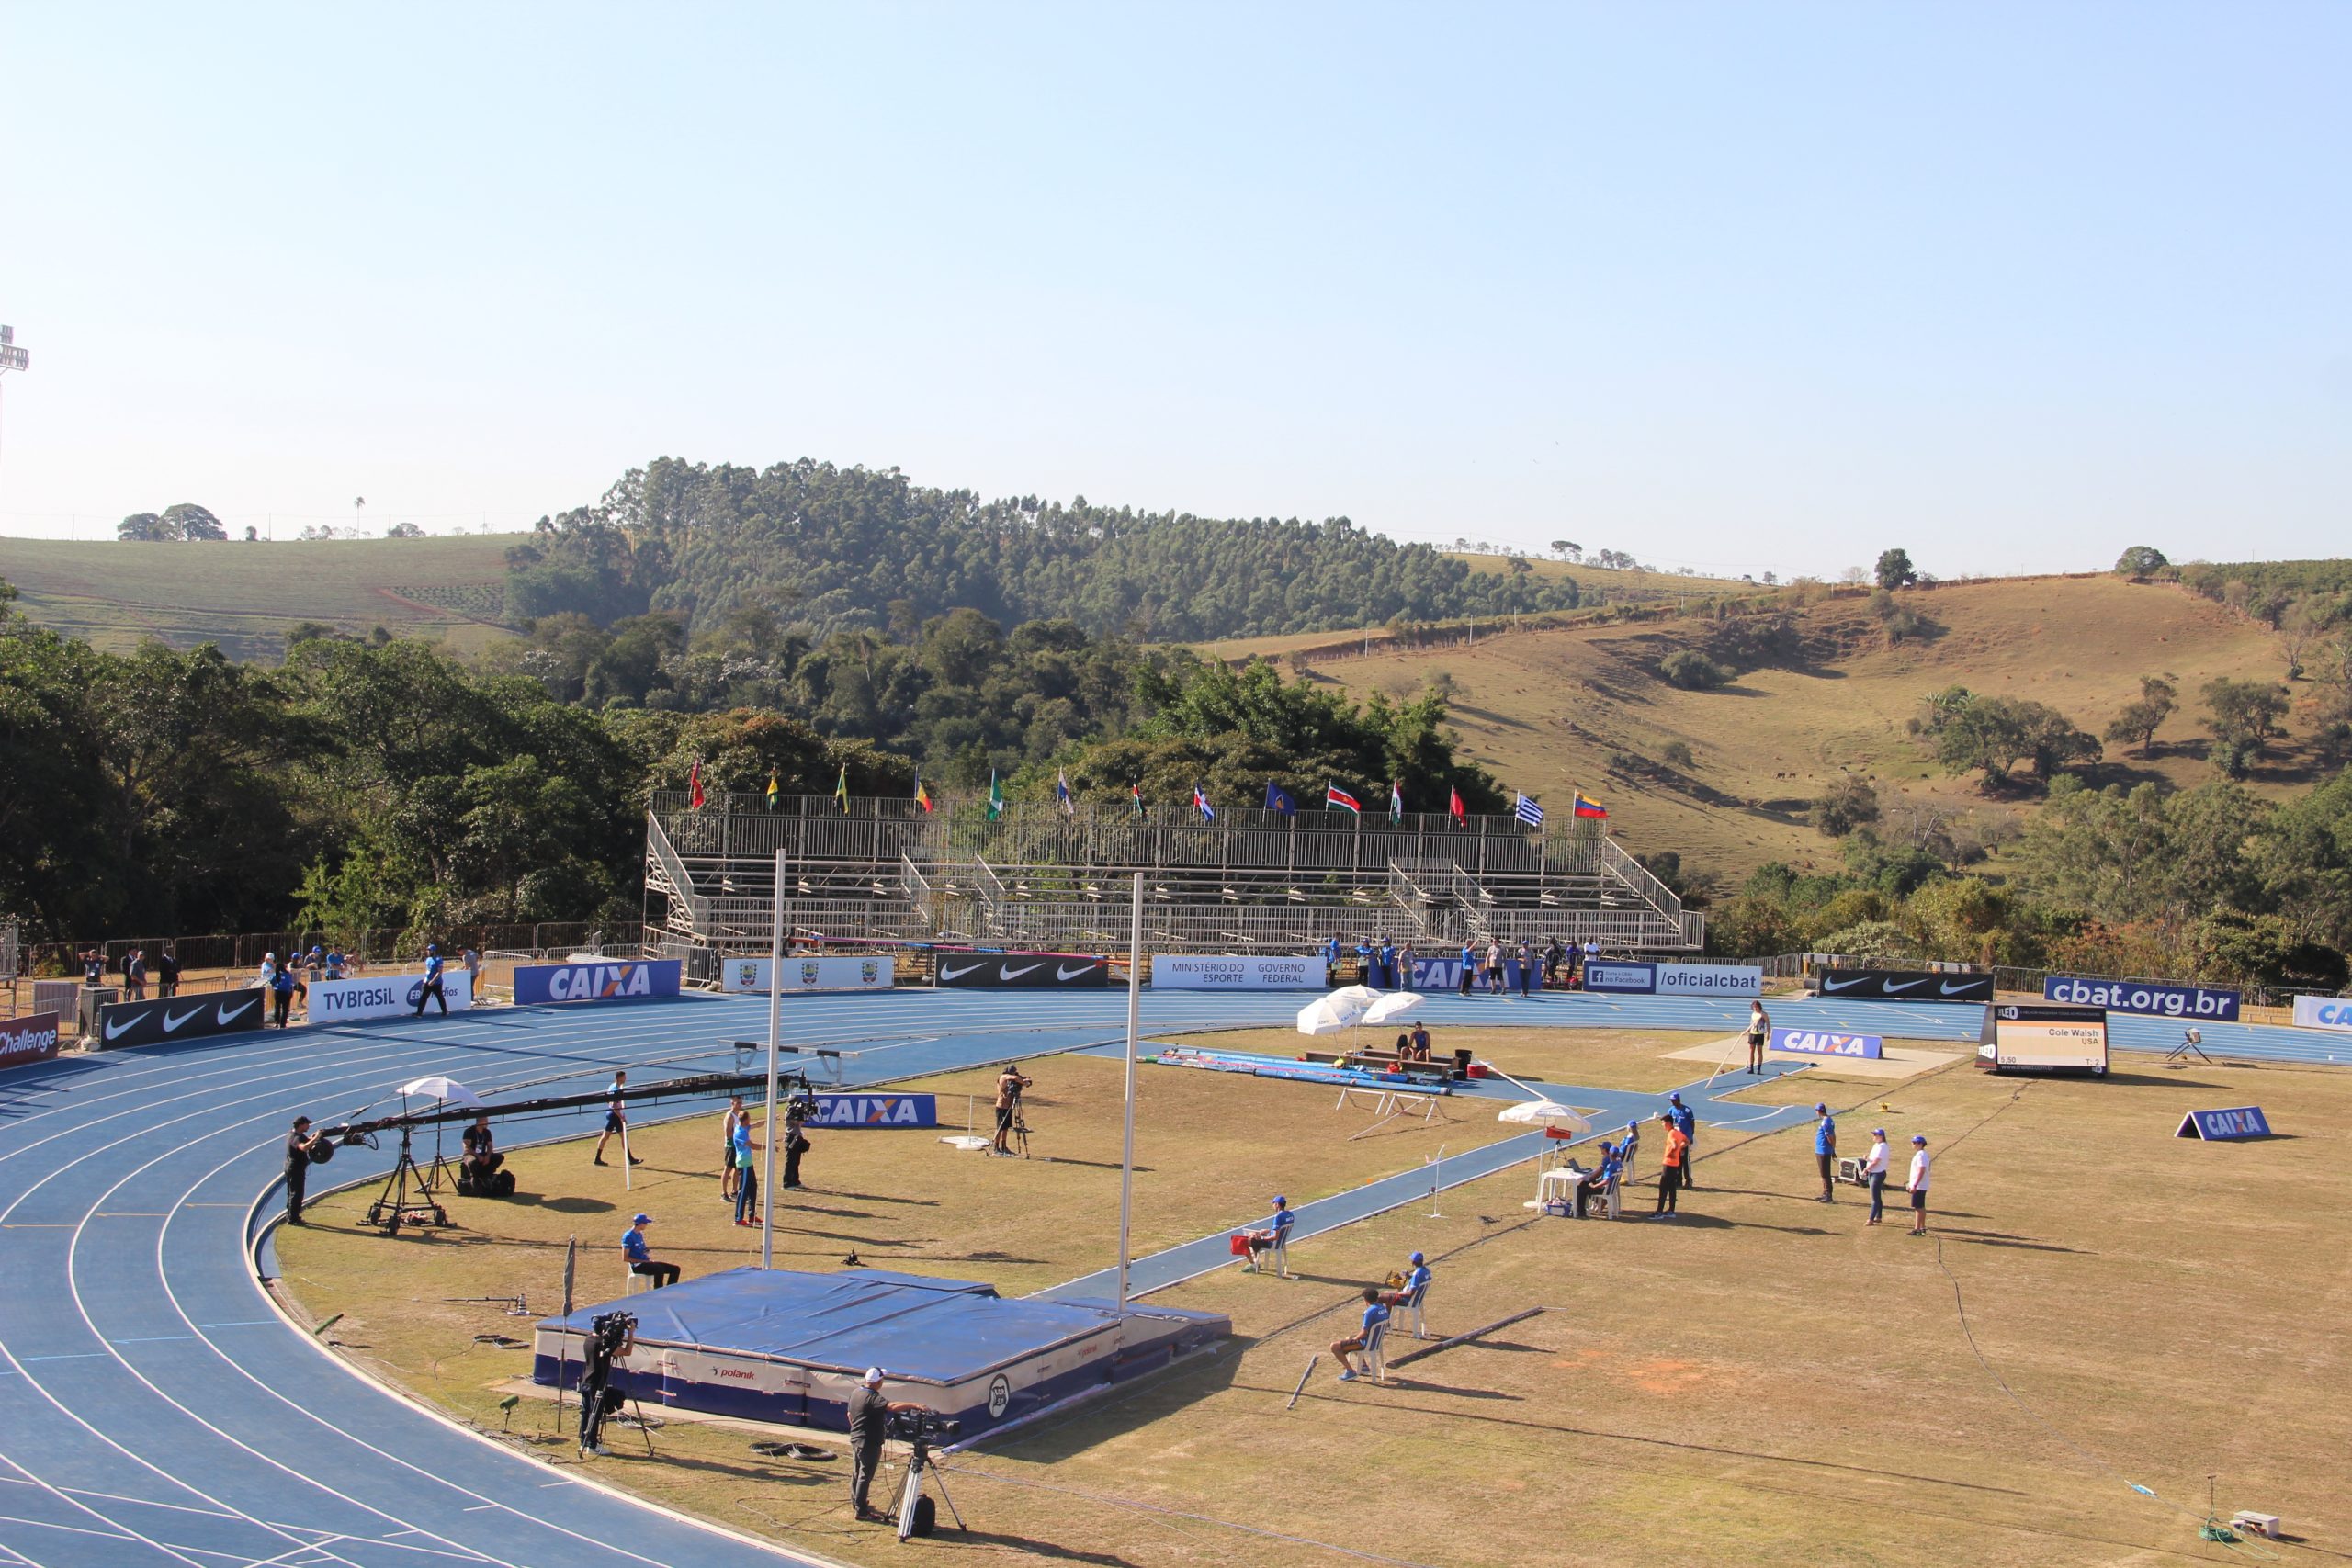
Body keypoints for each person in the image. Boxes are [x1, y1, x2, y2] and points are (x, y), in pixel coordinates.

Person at [847, 1368, 927, 1523]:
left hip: (856, 1439)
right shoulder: (872, 1398)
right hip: (869, 1442)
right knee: (865, 1475)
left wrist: (855, 1429)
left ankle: (856, 1501)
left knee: (857, 1472)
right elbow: (892, 1406)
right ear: (878, 1381)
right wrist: (914, 1405)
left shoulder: (856, 1393)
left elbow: (849, 1414)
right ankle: (861, 1510)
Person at [1331, 1287, 1392, 1382]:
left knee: (1334, 1347)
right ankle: (1363, 1366)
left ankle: (1350, 1371)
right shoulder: (1383, 1308)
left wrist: (1354, 1340)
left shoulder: (1369, 1311)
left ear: (1366, 1300)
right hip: (1377, 1341)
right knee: (1349, 1337)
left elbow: (1364, 1332)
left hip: (1367, 1343)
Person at [594, 1071, 641, 1167]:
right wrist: (622, 1118)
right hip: (615, 1115)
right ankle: (630, 1159)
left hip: (611, 1114)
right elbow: (615, 1106)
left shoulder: (613, 1086)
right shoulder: (615, 1089)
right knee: (624, 1137)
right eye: (624, 1077)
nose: (625, 1079)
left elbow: (610, 1101)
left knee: (605, 1137)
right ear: (620, 1078)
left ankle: (597, 1159)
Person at [284, 1116, 325, 1224]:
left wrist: (315, 1137)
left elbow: (308, 1141)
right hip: (295, 1168)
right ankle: (293, 1218)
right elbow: (303, 1147)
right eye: (307, 1124)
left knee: (293, 1192)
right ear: (301, 1125)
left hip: (295, 1167)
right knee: (296, 1194)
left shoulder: (297, 1135)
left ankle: (290, 1215)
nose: (309, 1126)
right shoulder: (294, 1137)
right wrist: (315, 1138)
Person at [621, 1213, 680, 1288]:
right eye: (645, 1223)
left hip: (646, 1263)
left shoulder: (640, 1234)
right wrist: (644, 1261)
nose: (646, 1225)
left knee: (675, 1269)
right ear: (641, 1224)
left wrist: (647, 1253)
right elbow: (625, 1258)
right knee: (659, 1269)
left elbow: (643, 1249)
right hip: (638, 1266)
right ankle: (658, 1292)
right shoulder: (628, 1236)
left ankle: (670, 1290)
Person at [1242, 1194, 1293, 1273]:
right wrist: (1268, 1231)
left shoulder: (1278, 1217)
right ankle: (1255, 1262)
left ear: (1277, 1205)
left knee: (1247, 1241)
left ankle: (1253, 1264)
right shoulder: (1290, 1214)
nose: (1273, 1206)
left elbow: (1275, 1237)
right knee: (1253, 1234)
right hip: (1281, 1242)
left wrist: (1262, 1238)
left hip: (1273, 1244)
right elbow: (1281, 1229)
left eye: (1273, 1204)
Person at [1652, 1111, 1689, 1217]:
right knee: (1672, 1187)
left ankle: (1659, 1212)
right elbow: (1686, 1141)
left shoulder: (1671, 1133)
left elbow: (1674, 1144)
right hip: (1675, 1164)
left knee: (1663, 1187)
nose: (1662, 1125)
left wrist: (1671, 1152)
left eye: (1663, 1123)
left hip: (1669, 1164)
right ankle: (1671, 1210)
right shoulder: (1678, 1132)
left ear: (1668, 1123)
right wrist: (1680, 1148)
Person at [990, 1063, 1032, 1156]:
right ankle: (996, 1148)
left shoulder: (1010, 1078)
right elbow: (1016, 1078)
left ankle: (1004, 1147)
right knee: (1000, 1127)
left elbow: (1016, 1079)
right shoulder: (1004, 1077)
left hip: (1008, 1106)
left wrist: (1024, 1080)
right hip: (1001, 1106)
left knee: (1005, 1128)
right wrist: (1024, 1082)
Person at [731, 1113, 762, 1226]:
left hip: (748, 1164)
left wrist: (770, 1120)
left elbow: (757, 1125)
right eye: (749, 1119)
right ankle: (738, 1219)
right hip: (743, 1165)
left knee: (753, 1188)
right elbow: (752, 1145)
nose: (750, 1121)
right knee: (743, 1191)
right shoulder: (740, 1132)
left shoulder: (744, 1127)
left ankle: (752, 1215)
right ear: (745, 1121)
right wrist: (767, 1147)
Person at [461, 1113, 503, 1192]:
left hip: (482, 1154)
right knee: (473, 1162)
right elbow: (466, 1147)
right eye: (486, 1121)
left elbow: (490, 1146)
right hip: (470, 1154)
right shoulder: (469, 1131)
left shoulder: (487, 1132)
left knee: (499, 1157)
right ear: (480, 1121)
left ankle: (485, 1175)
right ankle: (475, 1178)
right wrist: (477, 1156)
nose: (488, 1123)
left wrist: (488, 1156)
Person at [1668, 1092, 1698, 1190]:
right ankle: (1678, 1180)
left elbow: (1692, 1123)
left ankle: (1689, 1180)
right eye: (1671, 1100)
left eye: (1673, 1100)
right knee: (1677, 1160)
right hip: (1676, 1140)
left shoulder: (1687, 1111)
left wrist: (1691, 1136)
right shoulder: (1671, 1110)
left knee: (1685, 1160)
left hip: (1685, 1139)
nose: (1672, 1102)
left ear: (1678, 1100)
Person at [720, 1096, 747, 1202]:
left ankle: (734, 1191)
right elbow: (728, 1133)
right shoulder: (730, 1116)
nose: (740, 1105)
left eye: (741, 1103)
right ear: (732, 1103)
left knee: (737, 1169)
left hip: (738, 1145)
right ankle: (724, 1193)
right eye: (738, 1103)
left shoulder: (739, 1115)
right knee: (728, 1169)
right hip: (731, 1145)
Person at [1862, 1128, 1891, 1225]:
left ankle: (1871, 1219)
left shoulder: (1882, 1146)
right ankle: (1878, 1216)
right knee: (1877, 1196)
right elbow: (1874, 1159)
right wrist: (1867, 1159)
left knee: (1874, 1198)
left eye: (1875, 1135)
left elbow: (1876, 1161)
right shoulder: (1877, 1145)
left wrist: (1866, 1169)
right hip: (1873, 1172)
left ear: (1881, 1137)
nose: (1873, 1136)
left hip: (1877, 1173)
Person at [1905, 1134, 1931, 1235]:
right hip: (1920, 1184)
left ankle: (1917, 1229)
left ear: (1920, 1144)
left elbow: (1921, 1170)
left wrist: (1914, 1185)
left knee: (1918, 1207)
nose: (1912, 1144)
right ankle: (1922, 1227)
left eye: (1914, 1143)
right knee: (1921, 1206)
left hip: (1919, 1185)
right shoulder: (1921, 1154)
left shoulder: (1921, 1155)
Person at [413, 942, 448, 1017]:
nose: (428, 952)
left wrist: (433, 980)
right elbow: (428, 970)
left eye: (430, 950)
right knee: (423, 997)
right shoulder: (428, 959)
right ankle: (419, 1013)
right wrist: (426, 978)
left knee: (440, 997)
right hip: (427, 982)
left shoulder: (438, 960)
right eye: (428, 950)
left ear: (434, 951)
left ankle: (445, 1011)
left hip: (436, 983)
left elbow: (440, 972)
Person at [1813, 1102, 1838, 1202]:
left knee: (1825, 1173)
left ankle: (1828, 1195)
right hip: (1823, 1150)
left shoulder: (1825, 1122)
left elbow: (1830, 1137)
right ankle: (1825, 1192)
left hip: (1823, 1151)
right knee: (1824, 1173)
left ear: (1818, 1111)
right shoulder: (1828, 1120)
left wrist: (1832, 1149)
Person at [783, 1096, 809, 1189]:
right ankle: (787, 1183)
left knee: (796, 1161)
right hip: (791, 1138)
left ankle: (795, 1181)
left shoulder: (795, 1112)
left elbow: (802, 1123)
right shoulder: (790, 1112)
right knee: (790, 1161)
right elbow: (796, 1122)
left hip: (797, 1137)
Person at [269, 955, 298, 1028]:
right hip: (286, 992)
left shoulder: (276, 974)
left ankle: (276, 1022)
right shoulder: (288, 974)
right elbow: (291, 983)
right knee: (285, 1008)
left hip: (278, 992)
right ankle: (283, 1023)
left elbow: (272, 981)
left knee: (277, 1007)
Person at [1746, 1000, 1770, 1074]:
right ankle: (1751, 1068)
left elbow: (1768, 1024)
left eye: (1756, 1007)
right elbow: (1751, 1024)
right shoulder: (1753, 1014)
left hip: (1760, 1034)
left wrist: (1768, 1033)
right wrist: (1747, 1031)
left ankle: (1759, 1069)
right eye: (1754, 1007)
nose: (1755, 1009)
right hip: (1752, 1034)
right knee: (1751, 1051)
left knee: (1759, 1051)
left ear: (1759, 1007)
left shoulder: (1764, 1014)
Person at [1616, 1119, 1640, 1183]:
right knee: (1629, 1166)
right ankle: (1630, 1180)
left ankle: (1616, 1178)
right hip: (1630, 1156)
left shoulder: (1629, 1138)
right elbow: (1636, 1148)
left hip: (1623, 1156)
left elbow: (1624, 1148)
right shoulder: (1636, 1136)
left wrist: (1619, 1155)